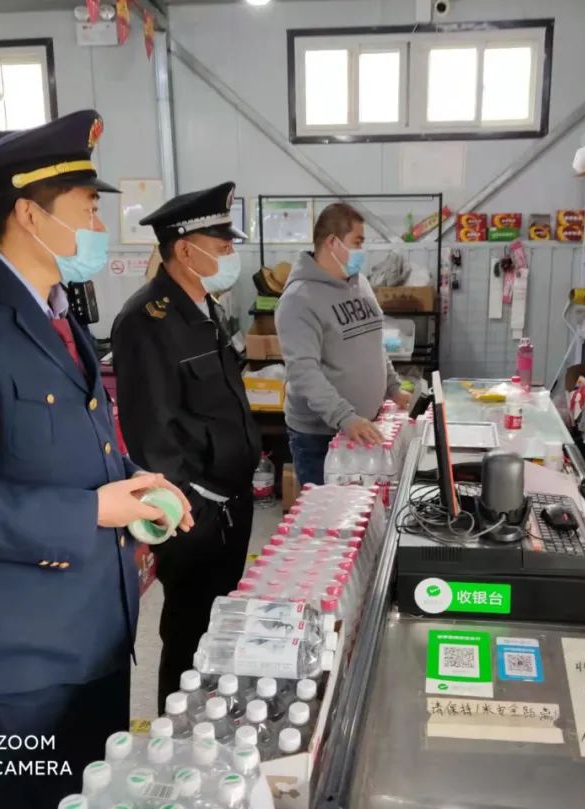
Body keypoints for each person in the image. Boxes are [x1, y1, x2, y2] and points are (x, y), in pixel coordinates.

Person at [0, 110, 192, 809]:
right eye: (88, 209)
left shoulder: (56, 311)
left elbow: (63, 443)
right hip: (18, 654)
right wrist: (90, 511)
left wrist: (128, 483)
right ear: (28, 213)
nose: (101, 226)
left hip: (89, 635)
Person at [111, 181, 261, 712]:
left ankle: (212, 721)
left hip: (232, 502)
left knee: (218, 628)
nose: (229, 257)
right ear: (184, 249)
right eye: (221, 248)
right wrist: (190, 512)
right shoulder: (145, 323)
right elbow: (153, 435)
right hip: (196, 515)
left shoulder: (208, 309)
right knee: (189, 633)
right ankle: (178, 734)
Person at [275, 202, 411, 486]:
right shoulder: (298, 299)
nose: (363, 251)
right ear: (332, 242)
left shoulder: (358, 282)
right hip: (321, 438)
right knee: (327, 523)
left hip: (361, 426)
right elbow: (303, 373)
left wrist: (393, 387)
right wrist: (345, 417)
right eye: (358, 242)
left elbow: (374, 340)